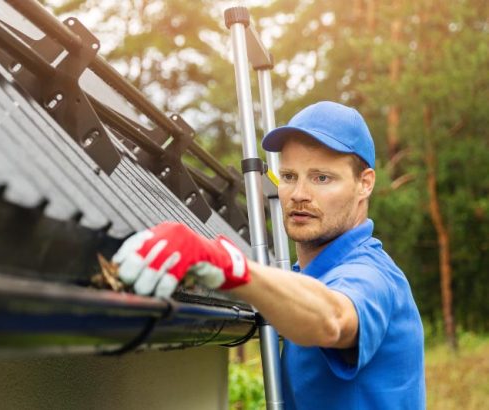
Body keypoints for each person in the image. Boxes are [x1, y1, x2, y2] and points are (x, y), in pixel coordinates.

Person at [112, 101, 425, 409]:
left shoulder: (372, 274)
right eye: (289, 176)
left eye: (322, 178)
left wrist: (227, 264)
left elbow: (334, 318)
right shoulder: (302, 277)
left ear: (364, 184)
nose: (299, 194)